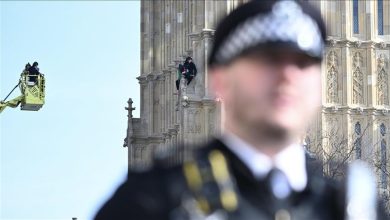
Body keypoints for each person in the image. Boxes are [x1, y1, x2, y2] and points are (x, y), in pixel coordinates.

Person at [95, 1, 388, 219]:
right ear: (219, 80)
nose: (286, 76)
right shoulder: (155, 200)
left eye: (302, 63)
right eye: (266, 61)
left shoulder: (353, 206)